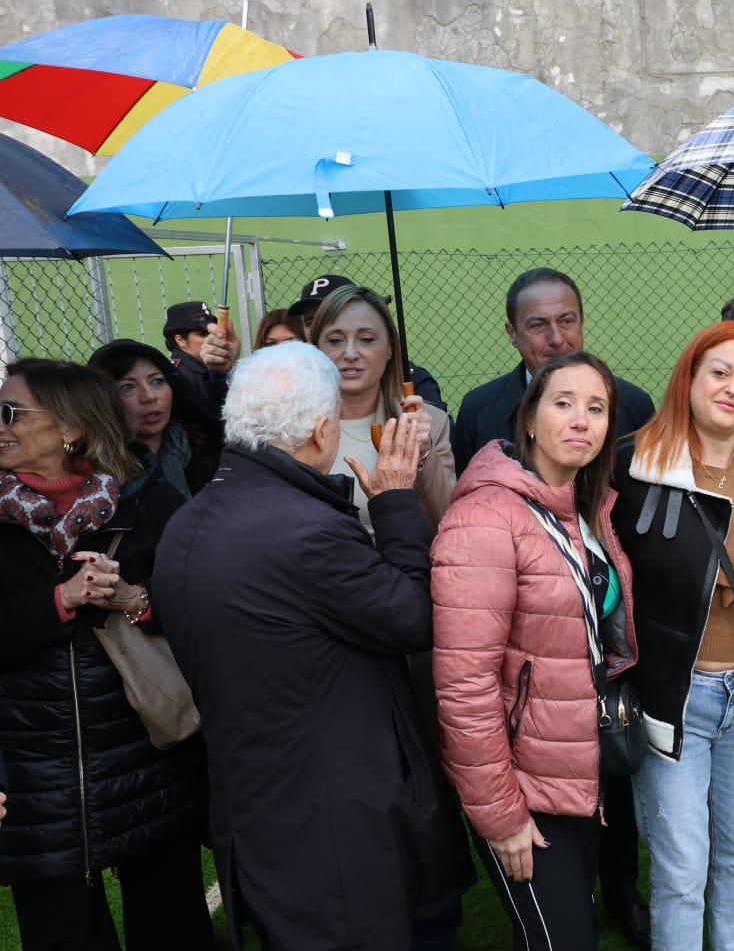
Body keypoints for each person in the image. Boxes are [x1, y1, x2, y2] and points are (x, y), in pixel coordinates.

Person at [152, 342, 473, 950]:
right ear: (324, 428)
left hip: (260, 809)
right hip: (339, 829)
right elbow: (412, 619)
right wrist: (397, 500)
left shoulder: (189, 520)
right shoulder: (304, 531)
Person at [448, 266, 655, 945]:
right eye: (562, 404)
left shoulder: (586, 507)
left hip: (582, 757)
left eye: (596, 408)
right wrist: (502, 814)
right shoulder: (486, 516)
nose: (582, 419)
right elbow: (466, 684)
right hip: (529, 777)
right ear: (527, 419)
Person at [0, 357, 212, 951]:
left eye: (11, 412)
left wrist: (133, 599)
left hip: (145, 755)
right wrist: (60, 600)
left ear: (70, 427)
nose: (0, 425)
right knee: (62, 930)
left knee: (170, 922)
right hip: (33, 775)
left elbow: (203, 613)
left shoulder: (150, 502)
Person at [611, 320, 734, 950]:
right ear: (688, 376)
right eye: (719, 372)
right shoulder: (633, 468)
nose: (733, 388)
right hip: (673, 698)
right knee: (681, 872)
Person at [453, 267, 656, 474]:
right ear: (512, 333)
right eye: (538, 325)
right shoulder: (478, 410)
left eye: (567, 321)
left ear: (581, 321)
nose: (557, 339)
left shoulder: (632, 406)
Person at [308, 283, 455, 534]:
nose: (350, 353)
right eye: (335, 340)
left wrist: (422, 452)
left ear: (389, 349)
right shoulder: (293, 426)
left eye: (366, 339)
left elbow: (449, 521)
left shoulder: (429, 421)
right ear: (317, 349)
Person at [88, 339, 223, 497]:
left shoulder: (204, 449)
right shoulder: (91, 470)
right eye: (127, 387)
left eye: (157, 381)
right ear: (104, 399)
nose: (149, 396)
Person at [287, 274, 445, 408]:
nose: (320, 329)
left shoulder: (410, 380)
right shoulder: (293, 384)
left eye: (332, 317)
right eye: (310, 322)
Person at [163, 299, 239, 410]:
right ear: (180, 340)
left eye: (212, 333)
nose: (212, 339)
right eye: (203, 334)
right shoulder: (179, 375)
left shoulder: (205, 368)